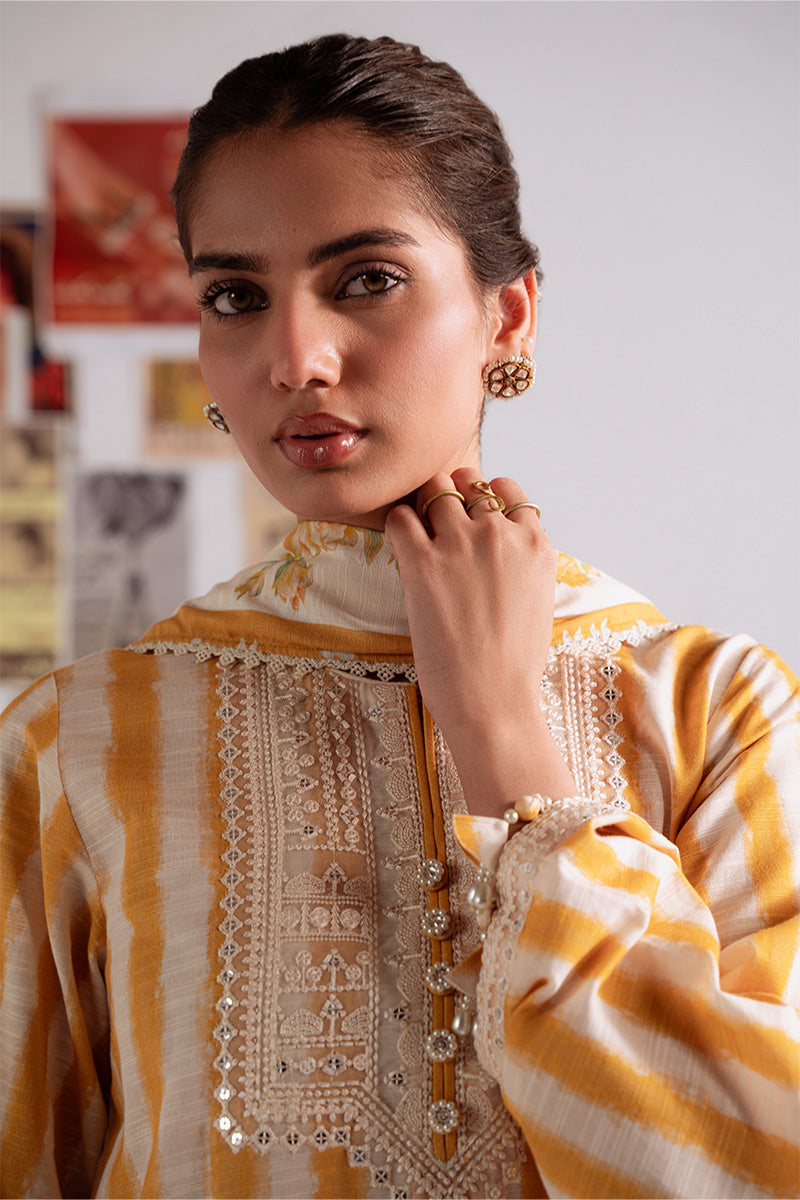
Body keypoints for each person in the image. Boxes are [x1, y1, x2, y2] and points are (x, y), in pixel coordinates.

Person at [1, 33, 798, 1200]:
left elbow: (750, 1163)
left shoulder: (718, 710)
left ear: (507, 316)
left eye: (365, 279)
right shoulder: (76, 739)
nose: (294, 357)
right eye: (235, 297)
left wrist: (500, 732)